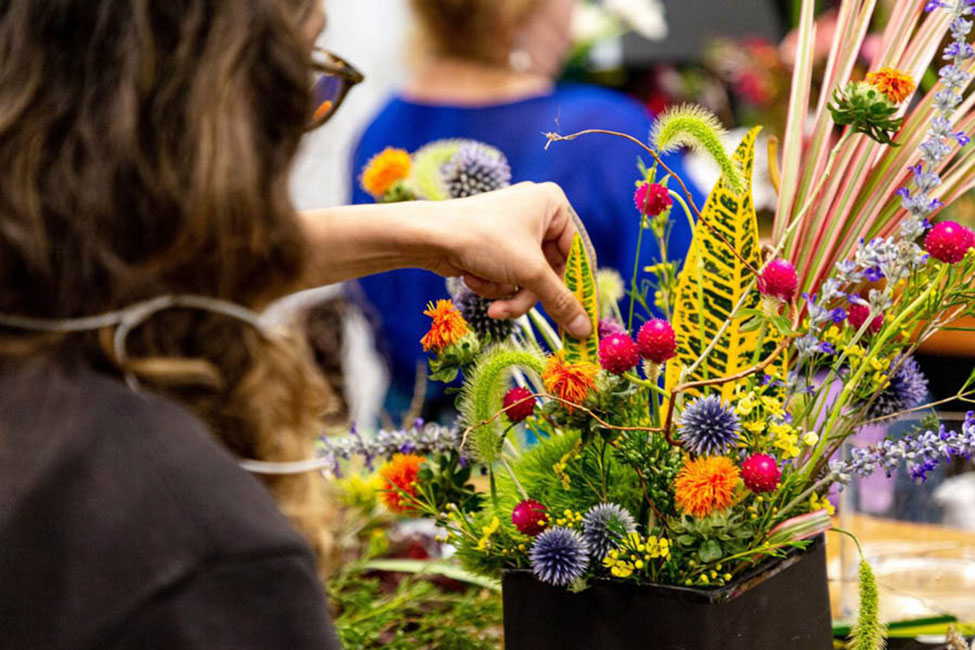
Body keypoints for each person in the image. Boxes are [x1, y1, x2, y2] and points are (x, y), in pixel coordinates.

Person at [0, 1, 591, 647]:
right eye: (306, 75)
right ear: (230, 111)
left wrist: (422, 229)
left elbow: (130, 255)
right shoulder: (195, 544)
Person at [351, 0, 705, 418]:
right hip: (572, 457)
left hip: (406, 450)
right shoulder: (606, 136)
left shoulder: (378, 136)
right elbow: (697, 314)